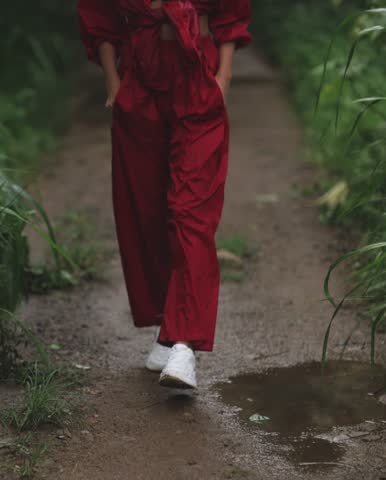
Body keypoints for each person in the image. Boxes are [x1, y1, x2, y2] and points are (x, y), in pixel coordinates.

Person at [77, 0, 251, 389]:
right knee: (146, 208)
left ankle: (184, 345)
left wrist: (222, 81)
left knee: (190, 211)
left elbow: (232, 13)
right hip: (138, 80)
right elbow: (98, 16)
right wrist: (113, 85)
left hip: (197, 77)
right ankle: (166, 326)